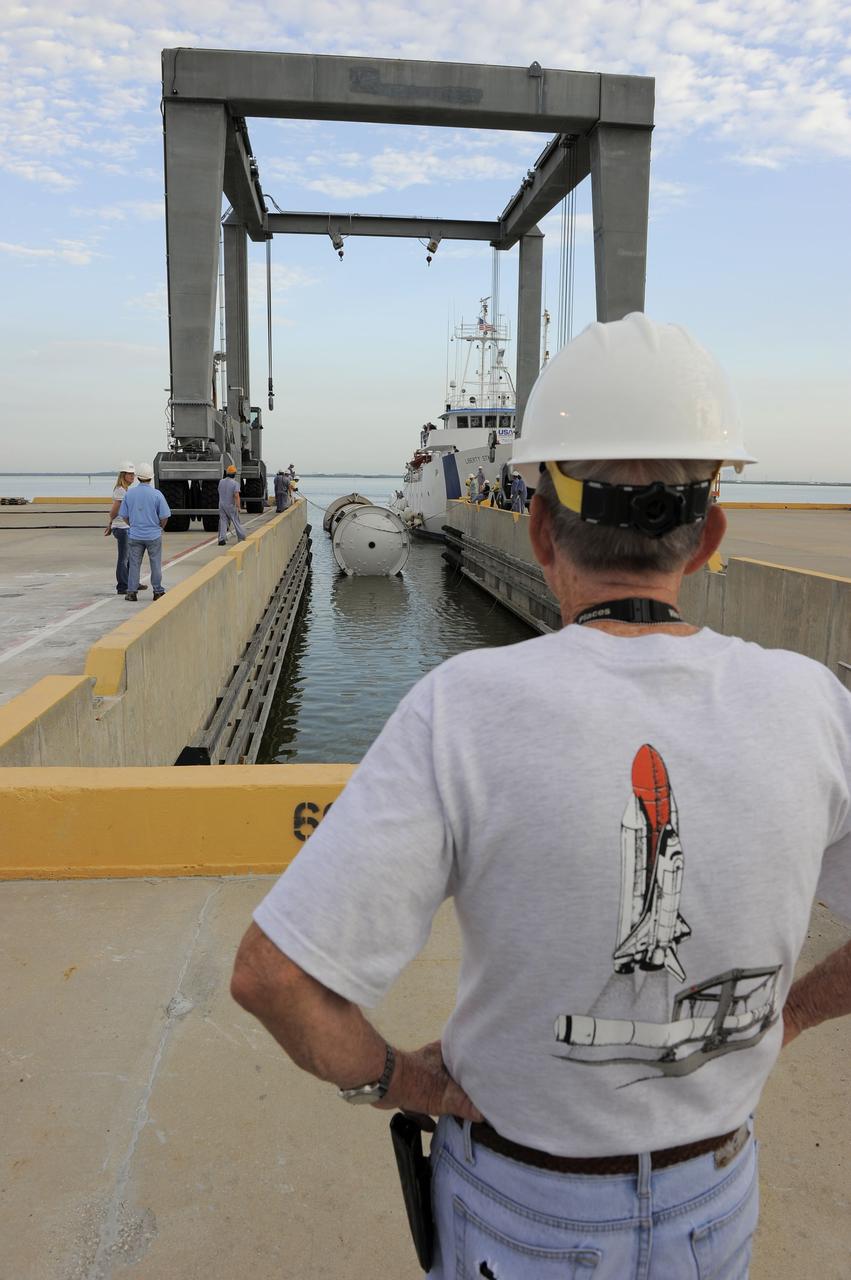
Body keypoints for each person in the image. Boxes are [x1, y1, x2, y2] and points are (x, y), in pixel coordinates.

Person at [230, 314, 851, 1279]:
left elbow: (273, 978)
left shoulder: (465, 708)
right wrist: (791, 1014)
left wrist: (404, 1080)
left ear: (536, 525)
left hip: (520, 1207)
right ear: (710, 535)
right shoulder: (813, 703)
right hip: (715, 1202)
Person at [120, 463, 170, 601]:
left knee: (134, 564)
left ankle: (131, 592)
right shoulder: (157, 494)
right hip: (153, 534)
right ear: (151, 478)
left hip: (135, 534)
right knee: (155, 563)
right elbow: (165, 516)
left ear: (138, 477)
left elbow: (123, 515)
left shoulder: (129, 494)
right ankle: (157, 591)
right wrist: (160, 527)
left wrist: (133, 525)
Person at [104, 462, 148, 596]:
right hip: (122, 528)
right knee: (124, 558)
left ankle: (132, 582)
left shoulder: (125, 490)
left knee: (130, 558)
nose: (132, 476)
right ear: (123, 475)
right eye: (130, 474)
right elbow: (115, 510)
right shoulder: (121, 490)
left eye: (133, 474)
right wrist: (111, 522)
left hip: (126, 527)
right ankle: (122, 586)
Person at [218, 464, 246, 544]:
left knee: (223, 521)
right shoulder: (235, 483)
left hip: (221, 504)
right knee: (236, 520)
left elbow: (219, 491)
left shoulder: (221, 481)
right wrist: (239, 507)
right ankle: (241, 537)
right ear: (234, 474)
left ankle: (222, 539)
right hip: (230, 505)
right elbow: (236, 496)